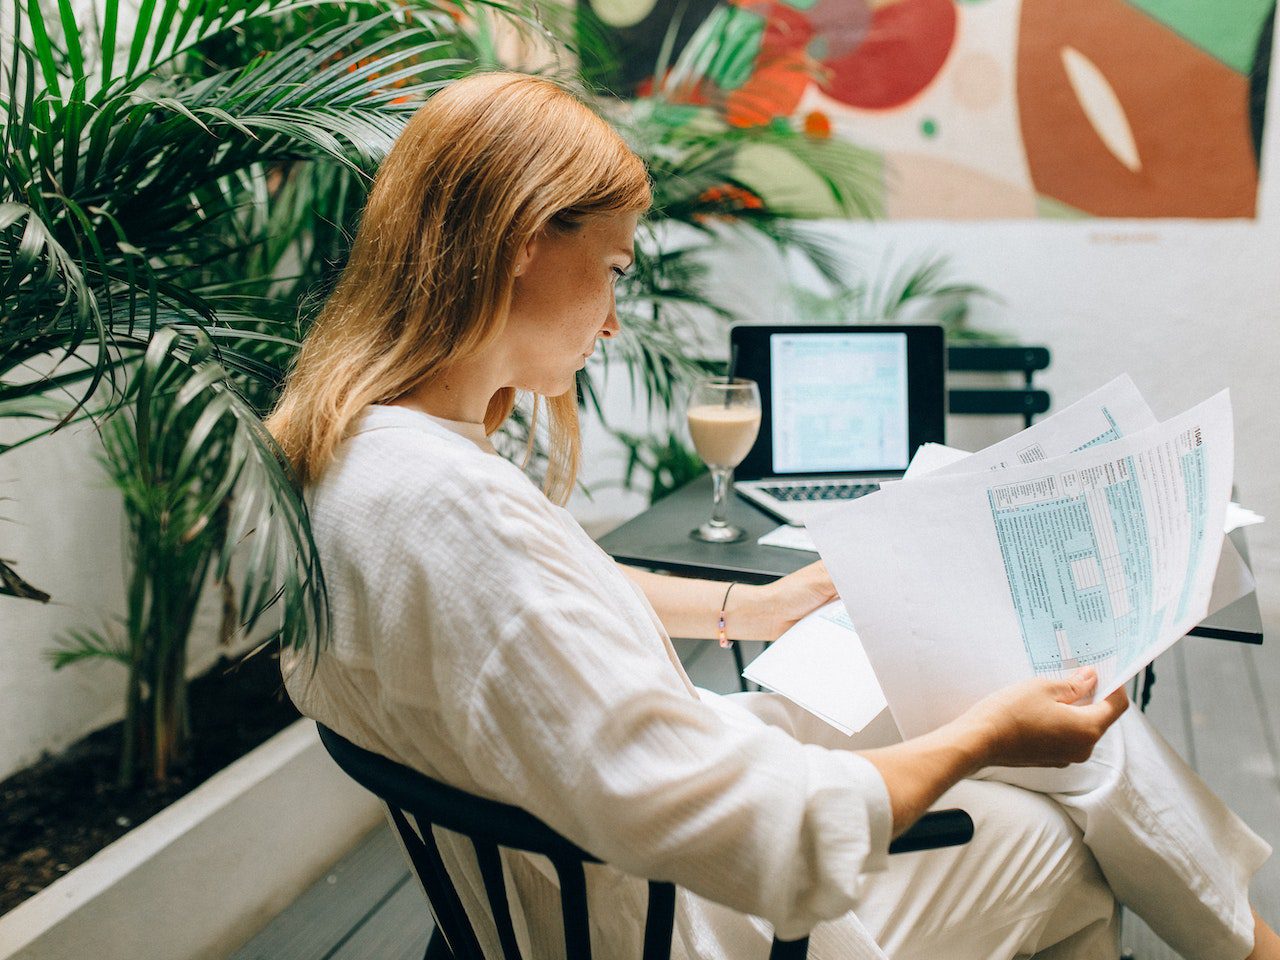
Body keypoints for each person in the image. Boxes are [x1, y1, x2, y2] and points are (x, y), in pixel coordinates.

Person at [268, 71, 1277, 959]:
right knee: (1059, 844)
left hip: (605, 835)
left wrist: (754, 608)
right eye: (614, 269)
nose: (615, 316)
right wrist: (977, 742)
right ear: (528, 239)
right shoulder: (454, 508)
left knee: (1029, 688)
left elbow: (541, 596)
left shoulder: (362, 460)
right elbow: (760, 823)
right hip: (692, 916)